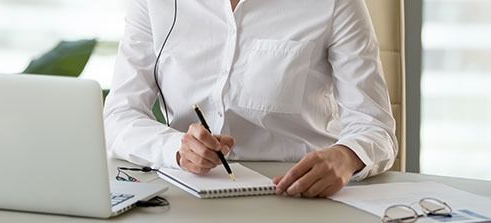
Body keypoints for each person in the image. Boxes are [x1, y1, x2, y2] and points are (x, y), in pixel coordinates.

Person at [104, 0, 397, 198]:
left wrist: (346, 156)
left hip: (297, 195)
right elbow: (119, 116)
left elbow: (375, 127)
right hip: (189, 197)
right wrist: (177, 150)